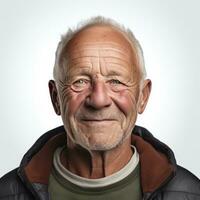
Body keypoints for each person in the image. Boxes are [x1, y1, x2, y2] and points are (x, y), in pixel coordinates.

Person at [0, 16, 200, 200]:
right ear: (56, 98)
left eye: (116, 81)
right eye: (80, 82)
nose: (98, 100)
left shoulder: (190, 193)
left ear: (143, 97)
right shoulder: (7, 193)